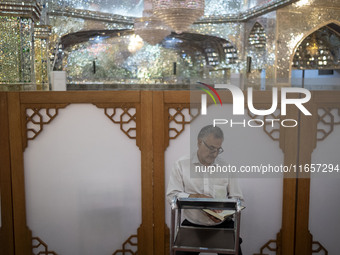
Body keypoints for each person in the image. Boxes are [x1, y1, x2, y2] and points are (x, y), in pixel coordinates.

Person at [166, 125, 243, 255]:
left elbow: (237, 198)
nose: (215, 153)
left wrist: (223, 214)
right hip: (192, 224)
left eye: (219, 149)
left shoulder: (227, 167)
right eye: (211, 148)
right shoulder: (181, 164)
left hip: (223, 225)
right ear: (199, 142)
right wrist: (194, 197)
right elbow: (171, 196)